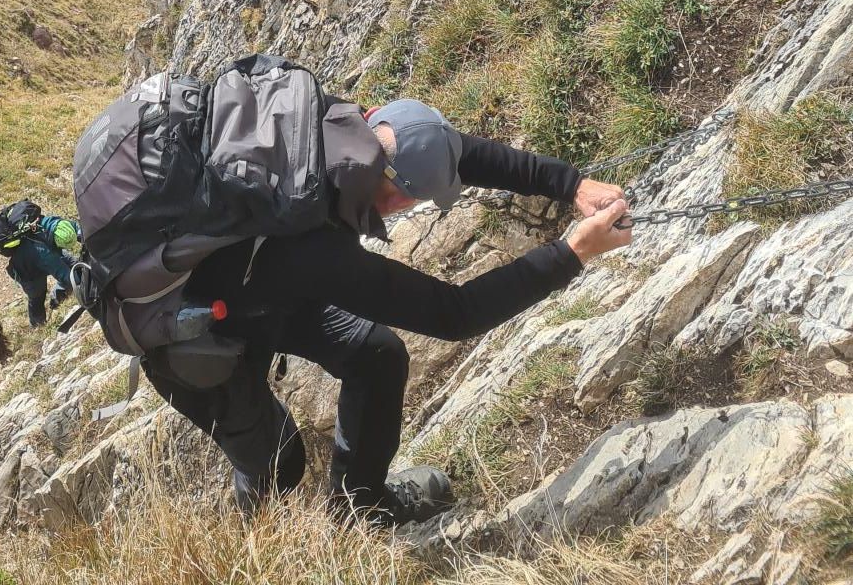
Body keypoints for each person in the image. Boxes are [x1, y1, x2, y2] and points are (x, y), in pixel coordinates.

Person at [141, 97, 631, 527]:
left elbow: (449, 151)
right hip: (190, 329)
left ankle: (360, 509)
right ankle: (259, 550)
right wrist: (571, 254)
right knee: (278, 463)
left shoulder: (340, 125)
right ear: (396, 196)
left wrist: (570, 184)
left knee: (378, 357)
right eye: (415, 199)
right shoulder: (320, 248)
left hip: (261, 281)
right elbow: (455, 313)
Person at [0, 199, 82, 327]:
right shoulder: (45, 253)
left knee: (74, 263)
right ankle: (37, 326)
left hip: (37, 251)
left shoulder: (58, 225)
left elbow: (78, 229)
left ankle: (57, 298)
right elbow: (68, 277)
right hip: (27, 270)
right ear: (55, 240)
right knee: (37, 297)